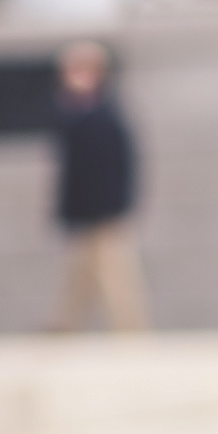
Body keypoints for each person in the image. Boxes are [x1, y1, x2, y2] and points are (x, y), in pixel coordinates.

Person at [49, 39, 148, 332]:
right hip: (84, 213)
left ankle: (130, 330)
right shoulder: (74, 112)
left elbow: (120, 167)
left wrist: (116, 207)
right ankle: (66, 325)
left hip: (104, 213)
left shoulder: (105, 115)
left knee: (116, 275)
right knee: (81, 273)